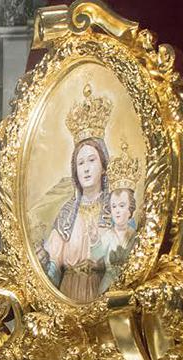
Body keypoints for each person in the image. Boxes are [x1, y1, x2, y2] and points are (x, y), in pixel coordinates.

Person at [38, 84, 113, 303]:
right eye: (80, 163)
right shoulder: (67, 213)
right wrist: (44, 263)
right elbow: (54, 266)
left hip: (104, 294)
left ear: (103, 165)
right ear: (75, 170)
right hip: (69, 293)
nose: (86, 168)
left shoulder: (115, 207)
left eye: (92, 160)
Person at [97, 144, 140, 294]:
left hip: (132, 289)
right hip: (106, 290)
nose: (117, 211)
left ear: (130, 210)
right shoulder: (105, 237)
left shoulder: (137, 237)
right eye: (114, 206)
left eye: (122, 206)